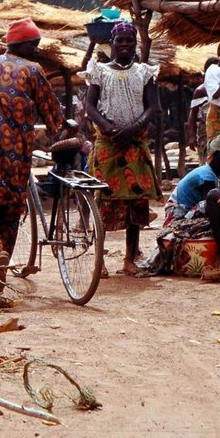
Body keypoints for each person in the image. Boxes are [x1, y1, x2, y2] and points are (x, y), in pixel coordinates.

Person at [0, 17, 63, 291]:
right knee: (9, 212)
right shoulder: (33, 70)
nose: (38, 50)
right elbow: (54, 116)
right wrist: (61, 131)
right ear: (24, 44)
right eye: (35, 45)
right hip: (16, 157)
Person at [85, 21, 162, 275]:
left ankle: (130, 259)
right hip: (108, 144)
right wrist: (107, 126)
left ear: (135, 43)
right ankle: (100, 261)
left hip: (134, 143)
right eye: (121, 40)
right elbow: (90, 106)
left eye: (130, 40)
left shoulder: (144, 72)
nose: (125, 44)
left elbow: (153, 107)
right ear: (113, 43)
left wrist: (133, 128)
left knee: (136, 203)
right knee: (104, 200)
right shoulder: (100, 71)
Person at [164, 130, 220, 226]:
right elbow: (211, 208)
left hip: (181, 211)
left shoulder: (210, 173)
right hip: (177, 215)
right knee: (217, 204)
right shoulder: (207, 177)